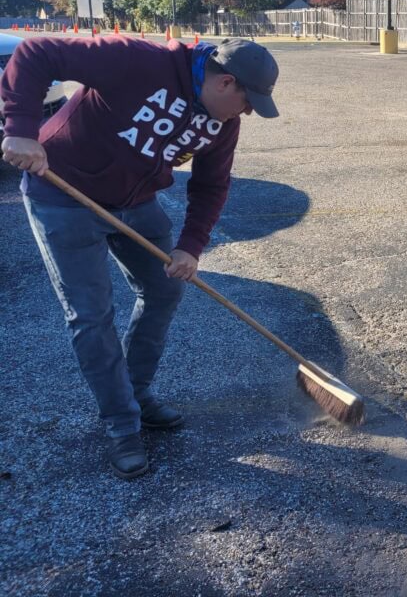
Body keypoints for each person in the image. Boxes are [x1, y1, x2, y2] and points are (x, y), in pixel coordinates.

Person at [1, 34, 280, 480]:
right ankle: (121, 424)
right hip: (63, 195)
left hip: (136, 202)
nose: (246, 113)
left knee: (164, 289)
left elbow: (212, 184)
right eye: (248, 102)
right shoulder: (138, 61)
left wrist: (190, 246)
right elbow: (36, 53)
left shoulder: (222, 121)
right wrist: (20, 128)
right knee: (91, 316)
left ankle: (136, 391)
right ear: (226, 82)